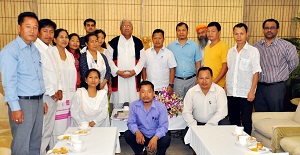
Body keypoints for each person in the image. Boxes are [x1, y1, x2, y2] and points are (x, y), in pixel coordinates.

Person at [0, 12, 45, 155]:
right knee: (22, 144)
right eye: (28, 26)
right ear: (19, 27)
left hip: (37, 101)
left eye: (35, 27)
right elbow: (9, 82)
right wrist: (15, 108)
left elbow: (37, 77)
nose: (32, 30)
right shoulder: (10, 51)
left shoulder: (34, 49)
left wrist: (41, 98)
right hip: (22, 103)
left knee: (35, 142)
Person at [253, 19, 299, 112]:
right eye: (266, 28)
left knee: (276, 116)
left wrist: (281, 73)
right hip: (259, 87)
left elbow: (294, 63)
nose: (269, 30)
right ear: (263, 30)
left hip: (277, 88)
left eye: (272, 28)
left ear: (277, 29)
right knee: (261, 116)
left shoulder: (287, 46)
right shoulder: (256, 46)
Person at [226, 23, 262, 135]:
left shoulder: (253, 51)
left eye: (241, 33)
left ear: (247, 34)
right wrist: (227, 87)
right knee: (233, 118)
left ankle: (247, 144)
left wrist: (252, 91)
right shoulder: (230, 52)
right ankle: (234, 142)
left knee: (246, 120)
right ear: (233, 35)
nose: (239, 36)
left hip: (246, 92)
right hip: (232, 91)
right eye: (236, 34)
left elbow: (256, 72)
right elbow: (230, 70)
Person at [34, 18, 63, 154]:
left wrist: (60, 88)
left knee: (48, 128)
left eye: (51, 31)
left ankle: (42, 152)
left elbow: (57, 71)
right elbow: (42, 74)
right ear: (38, 32)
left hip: (53, 95)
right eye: (45, 31)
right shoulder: (36, 49)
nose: (48, 34)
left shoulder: (51, 49)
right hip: (44, 95)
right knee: (41, 128)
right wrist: (52, 91)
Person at [182, 67, 230, 140]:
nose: (204, 81)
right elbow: (186, 112)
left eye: (207, 78)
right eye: (201, 78)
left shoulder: (219, 91)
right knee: (185, 136)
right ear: (197, 79)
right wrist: (194, 127)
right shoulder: (191, 92)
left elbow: (222, 112)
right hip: (197, 123)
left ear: (211, 78)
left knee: (226, 127)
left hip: (215, 122)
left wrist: (209, 126)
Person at [106, 19, 145, 109]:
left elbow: (142, 59)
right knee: (118, 105)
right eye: (124, 26)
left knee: (134, 105)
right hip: (118, 78)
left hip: (133, 78)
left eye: (128, 26)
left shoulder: (138, 42)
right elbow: (108, 59)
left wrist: (134, 71)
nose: (126, 28)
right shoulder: (114, 42)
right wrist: (117, 71)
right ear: (120, 29)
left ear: (132, 28)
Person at [124, 81, 171, 155]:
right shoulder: (134, 105)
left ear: (153, 93)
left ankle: (158, 152)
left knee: (166, 138)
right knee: (128, 134)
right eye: (143, 92)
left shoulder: (160, 107)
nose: (146, 95)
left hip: (155, 135)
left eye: (149, 92)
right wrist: (137, 132)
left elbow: (163, 126)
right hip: (142, 136)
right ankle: (140, 152)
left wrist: (156, 137)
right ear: (139, 93)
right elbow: (131, 122)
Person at [51, 29, 77, 145]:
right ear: (55, 39)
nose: (64, 39)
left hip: (70, 96)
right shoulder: (51, 53)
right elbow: (51, 75)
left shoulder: (70, 55)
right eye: (61, 37)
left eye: (66, 37)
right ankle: (55, 149)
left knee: (69, 126)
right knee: (57, 128)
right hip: (57, 96)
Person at [167, 22, 201, 98]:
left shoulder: (195, 46)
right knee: (177, 105)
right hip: (177, 81)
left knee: (192, 103)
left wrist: (198, 78)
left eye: (183, 30)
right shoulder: (170, 47)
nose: (181, 32)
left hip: (192, 80)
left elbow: (198, 63)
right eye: (179, 30)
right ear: (176, 32)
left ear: (187, 31)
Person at [141, 29, 177, 94]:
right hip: (150, 88)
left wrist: (171, 85)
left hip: (164, 88)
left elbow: (172, 69)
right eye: (155, 38)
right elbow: (144, 68)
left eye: (159, 38)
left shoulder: (169, 53)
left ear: (163, 39)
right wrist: (144, 82)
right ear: (152, 39)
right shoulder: (146, 53)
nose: (157, 41)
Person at [203, 22, 229, 88]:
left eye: (213, 31)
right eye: (208, 31)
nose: (210, 33)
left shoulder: (223, 47)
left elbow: (225, 67)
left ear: (219, 32)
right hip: (208, 84)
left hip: (219, 85)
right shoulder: (207, 47)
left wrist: (214, 82)